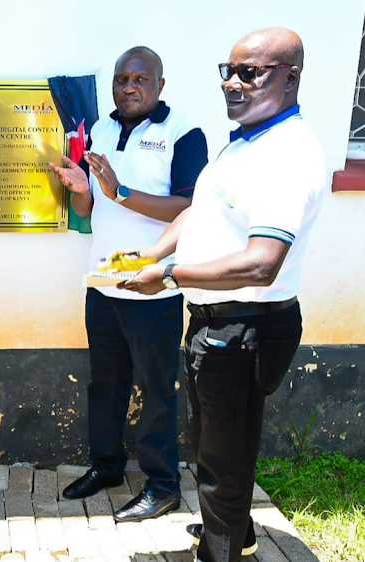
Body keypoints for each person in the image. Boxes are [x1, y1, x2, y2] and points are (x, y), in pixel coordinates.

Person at [119, 28, 324, 562]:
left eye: (250, 72)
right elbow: (197, 211)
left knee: (222, 461)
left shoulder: (288, 154)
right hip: (216, 322)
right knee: (215, 444)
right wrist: (152, 257)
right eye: (227, 71)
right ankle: (236, 531)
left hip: (244, 326)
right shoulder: (246, 141)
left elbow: (261, 262)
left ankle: (222, 550)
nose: (232, 83)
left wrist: (168, 278)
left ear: (290, 77)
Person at [49, 46, 208, 521]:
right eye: (121, 79)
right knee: (107, 383)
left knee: (157, 388)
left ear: (160, 85)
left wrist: (120, 191)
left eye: (140, 79)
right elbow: (89, 210)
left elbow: (189, 208)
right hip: (103, 282)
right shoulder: (100, 129)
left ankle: (162, 485)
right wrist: (83, 190)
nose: (129, 87)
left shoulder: (184, 133)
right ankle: (107, 466)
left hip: (153, 286)